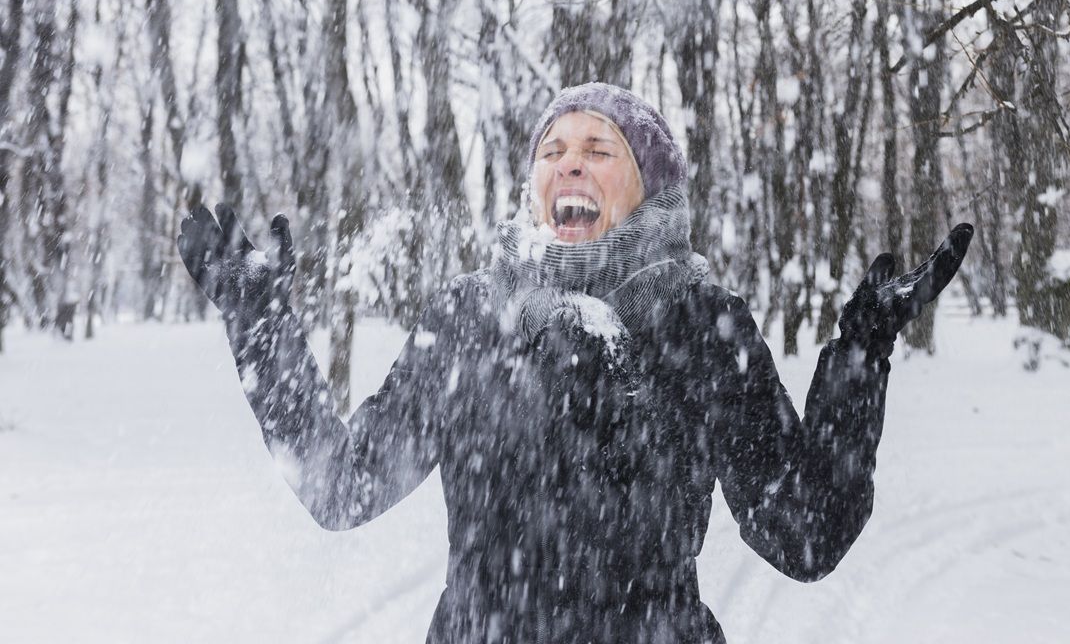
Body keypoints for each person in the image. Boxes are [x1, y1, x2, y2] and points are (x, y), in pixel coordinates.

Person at [177, 82, 973, 644]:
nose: (569, 163)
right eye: (552, 149)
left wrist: (863, 350)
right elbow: (340, 485)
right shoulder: (469, 319)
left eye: (600, 148)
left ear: (648, 184)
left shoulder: (699, 322)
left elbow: (804, 535)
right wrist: (261, 324)